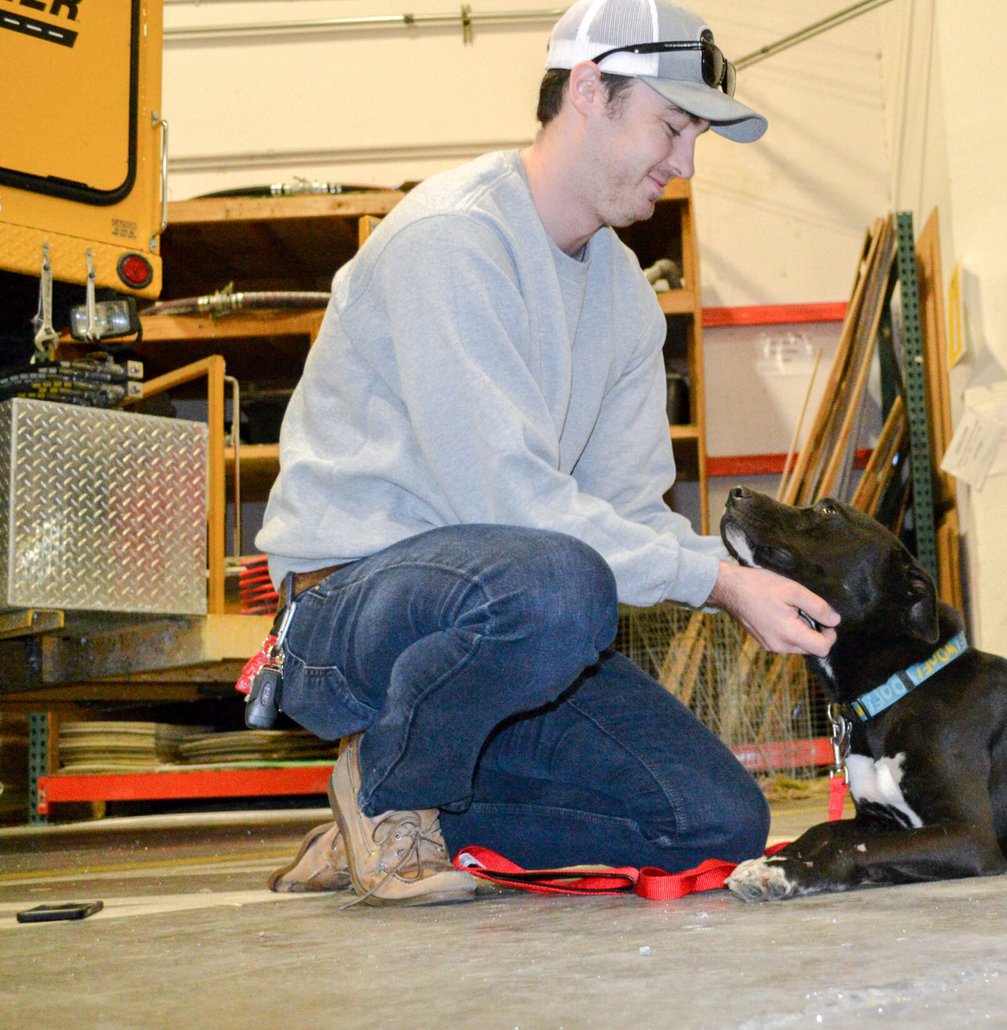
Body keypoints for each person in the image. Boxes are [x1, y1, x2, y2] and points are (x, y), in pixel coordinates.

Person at [256, 0, 839, 906]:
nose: (684, 164)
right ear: (589, 90)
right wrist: (719, 584)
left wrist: (748, 576)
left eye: (696, 139)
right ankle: (394, 786)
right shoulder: (454, 240)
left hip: (500, 623)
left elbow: (630, 513)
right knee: (561, 584)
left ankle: (391, 817)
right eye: (672, 126)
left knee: (716, 820)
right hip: (349, 616)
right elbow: (509, 502)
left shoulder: (626, 300)